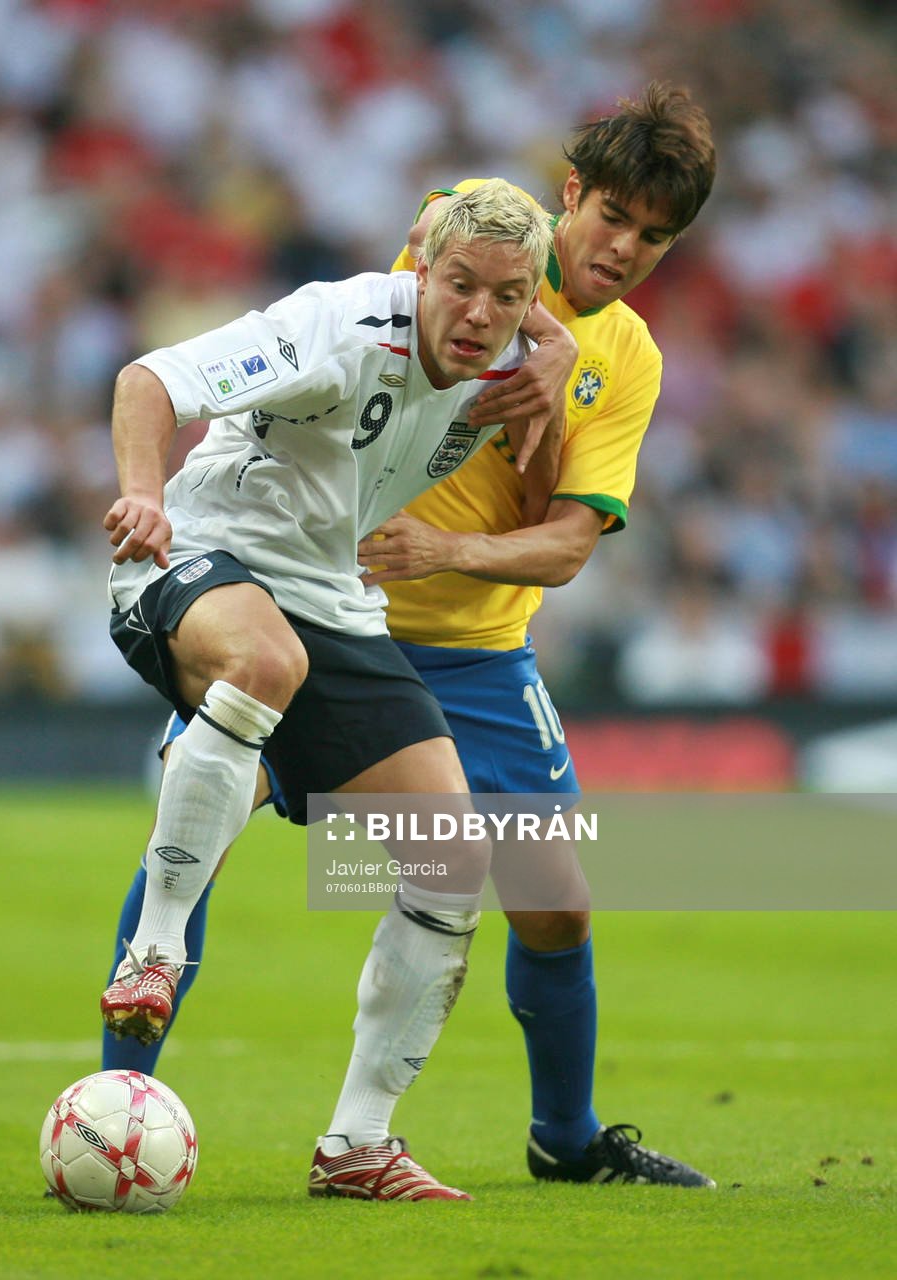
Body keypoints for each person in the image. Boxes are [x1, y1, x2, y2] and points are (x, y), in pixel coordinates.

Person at [104, 83, 719, 1191]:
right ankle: (119, 1104)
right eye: (612, 215)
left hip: (475, 647)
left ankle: (563, 1137)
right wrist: (539, 332)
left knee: (550, 901)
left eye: (654, 236)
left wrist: (463, 527)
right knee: (195, 839)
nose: (624, 248)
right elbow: (428, 253)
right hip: (311, 597)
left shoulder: (627, 358)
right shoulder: (480, 236)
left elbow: (564, 542)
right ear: (570, 195)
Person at [98, 179, 565, 1202]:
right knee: (265, 661)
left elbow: (550, 504)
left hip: (333, 600)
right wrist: (140, 493)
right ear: (419, 270)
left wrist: (557, 358)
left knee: (452, 858)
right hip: (196, 554)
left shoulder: (518, 369)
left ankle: (357, 1144)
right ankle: (155, 949)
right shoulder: (338, 325)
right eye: (459, 285)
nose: (478, 313)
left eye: (506, 296)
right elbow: (148, 379)